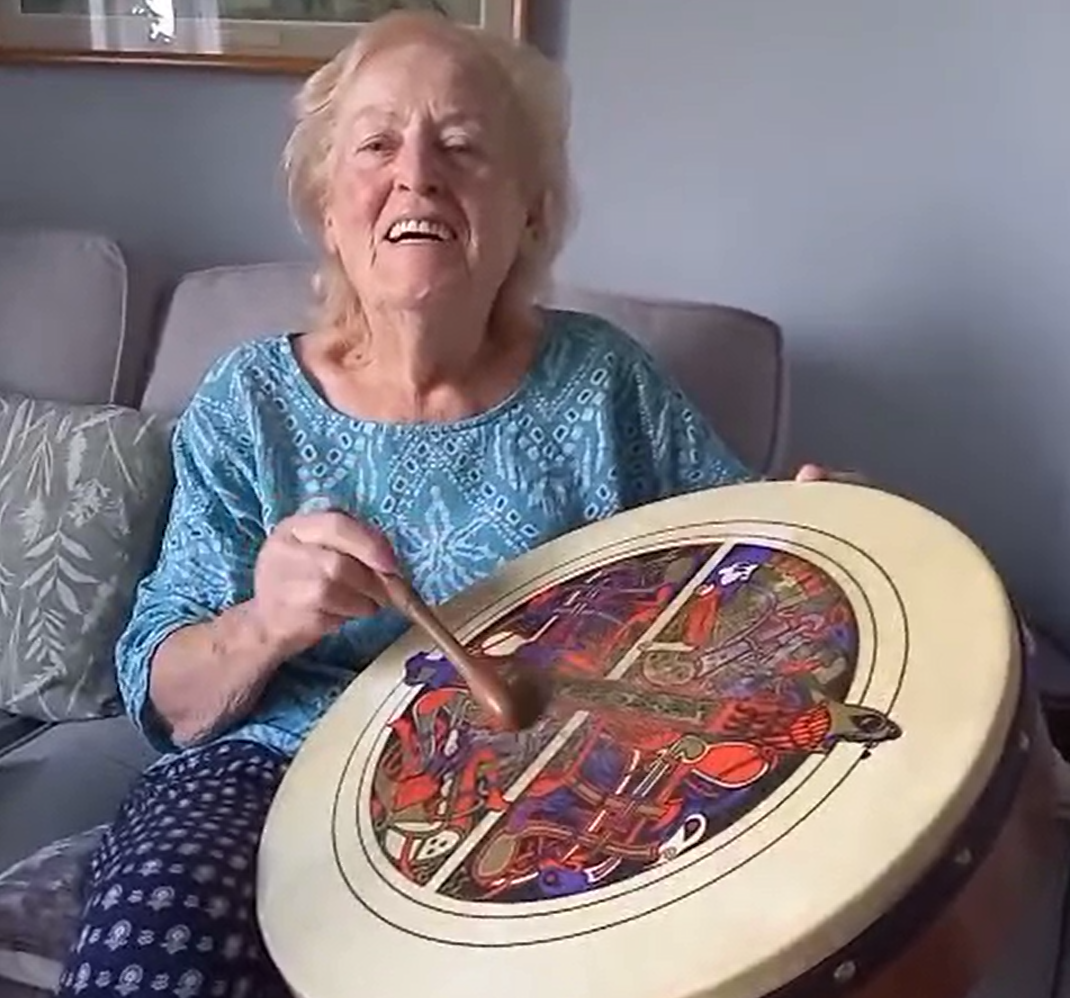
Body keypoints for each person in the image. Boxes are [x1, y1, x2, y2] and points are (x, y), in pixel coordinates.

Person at [57, 11, 835, 997]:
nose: (417, 175)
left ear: (529, 214)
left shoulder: (603, 385)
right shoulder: (249, 401)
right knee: (154, 936)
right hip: (269, 776)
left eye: (462, 146)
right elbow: (163, 697)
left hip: (542, 789)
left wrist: (814, 542)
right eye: (376, 144)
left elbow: (736, 576)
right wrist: (264, 623)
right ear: (329, 209)